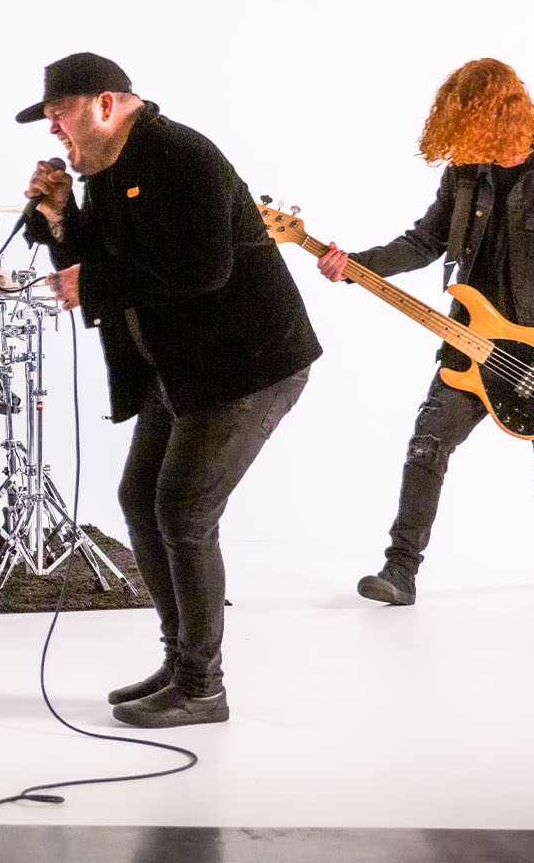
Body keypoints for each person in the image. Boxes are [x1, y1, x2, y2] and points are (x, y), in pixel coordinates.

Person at [21, 53, 321, 729]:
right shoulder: (109, 169)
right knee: (140, 498)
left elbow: (204, 268)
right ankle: (179, 660)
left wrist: (93, 285)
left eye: (59, 115)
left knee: (184, 512)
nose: (54, 132)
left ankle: (202, 687)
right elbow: (107, 257)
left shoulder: (180, 155)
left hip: (248, 364)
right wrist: (61, 216)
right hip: (181, 364)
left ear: (104, 105)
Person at [317, 58, 534, 604]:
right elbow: (424, 241)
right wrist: (356, 265)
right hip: (469, 342)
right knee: (426, 446)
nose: (461, 141)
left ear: (499, 117)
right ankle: (400, 571)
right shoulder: (466, 171)